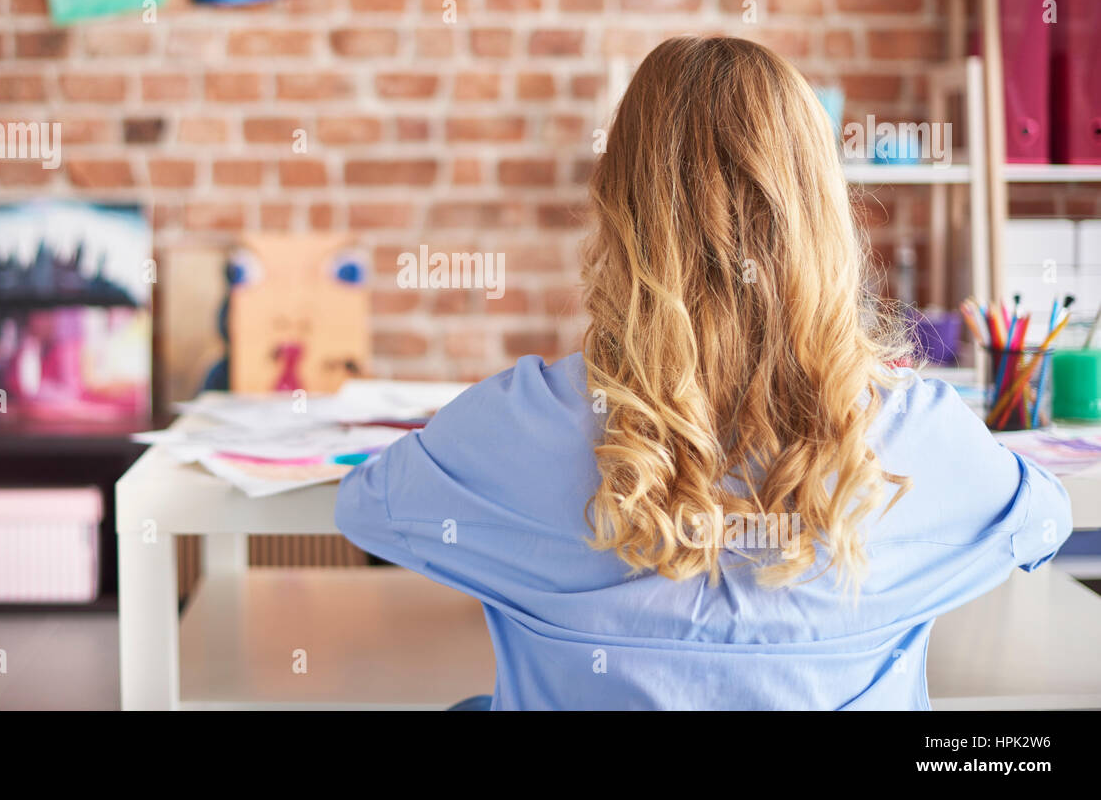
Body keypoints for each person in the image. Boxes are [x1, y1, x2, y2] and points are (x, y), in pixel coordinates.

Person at [335, 35, 1072, 710]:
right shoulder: (916, 435)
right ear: (822, 219)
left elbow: (367, 508)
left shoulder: (521, 423)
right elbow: (1044, 520)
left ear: (620, 216)